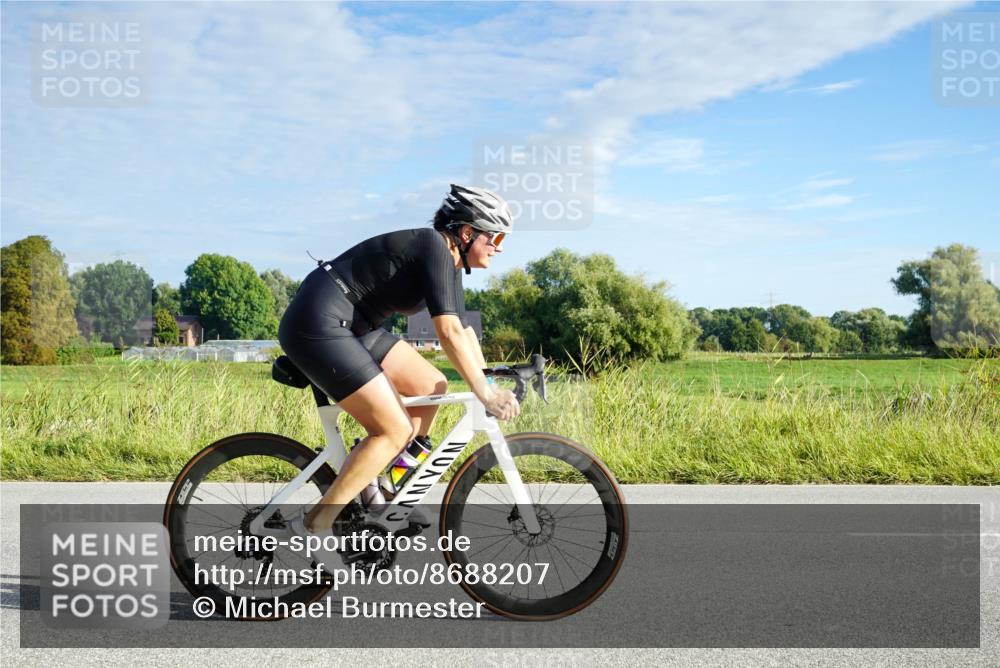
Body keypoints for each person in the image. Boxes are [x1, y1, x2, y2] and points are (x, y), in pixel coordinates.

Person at [277, 184, 520, 534]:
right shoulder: (433, 246)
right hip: (318, 323)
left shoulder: (448, 263)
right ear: (467, 233)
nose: (499, 249)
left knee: (431, 386)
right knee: (393, 430)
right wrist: (484, 392)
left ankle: (379, 488)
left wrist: (491, 384)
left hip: (356, 327)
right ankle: (317, 523)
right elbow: (447, 332)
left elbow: (464, 332)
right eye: (495, 239)